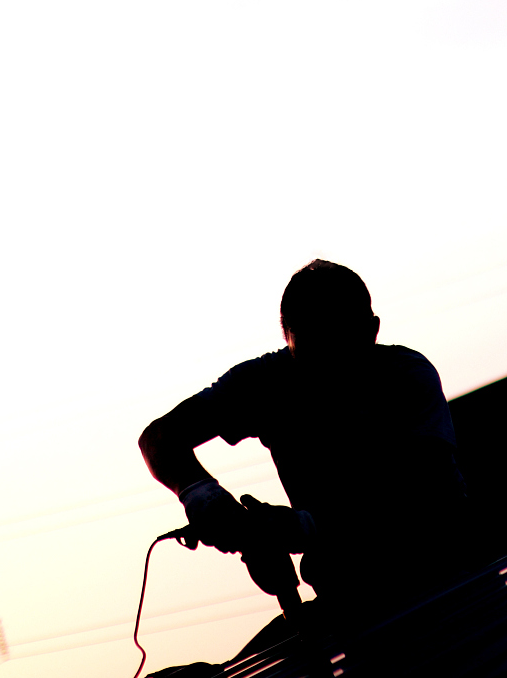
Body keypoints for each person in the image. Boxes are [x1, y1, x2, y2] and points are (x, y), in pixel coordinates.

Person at [139, 259, 471, 627]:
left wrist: (303, 527)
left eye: (342, 343)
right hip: (351, 604)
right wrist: (206, 499)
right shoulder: (268, 382)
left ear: (372, 331)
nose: (330, 367)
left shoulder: (406, 375)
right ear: (289, 339)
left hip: (452, 584)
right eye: (314, 348)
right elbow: (159, 439)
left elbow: (421, 497)